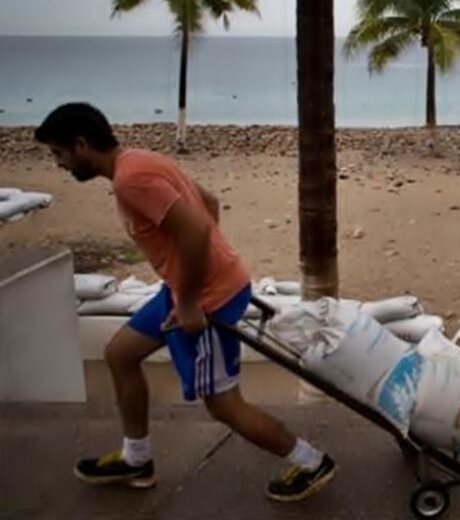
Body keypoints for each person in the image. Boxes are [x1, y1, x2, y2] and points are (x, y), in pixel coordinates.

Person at [34, 103, 334, 502]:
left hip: (205, 300)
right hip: (183, 289)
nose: (58, 164)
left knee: (224, 404)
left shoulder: (131, 180)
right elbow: (208, 203)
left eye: (58, 153)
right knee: (121, 353)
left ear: (82, 144)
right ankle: (136, 458)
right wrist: (196, 274)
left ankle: (312, 461)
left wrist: (195, 299)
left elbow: (195, 229)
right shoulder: (138, 159)